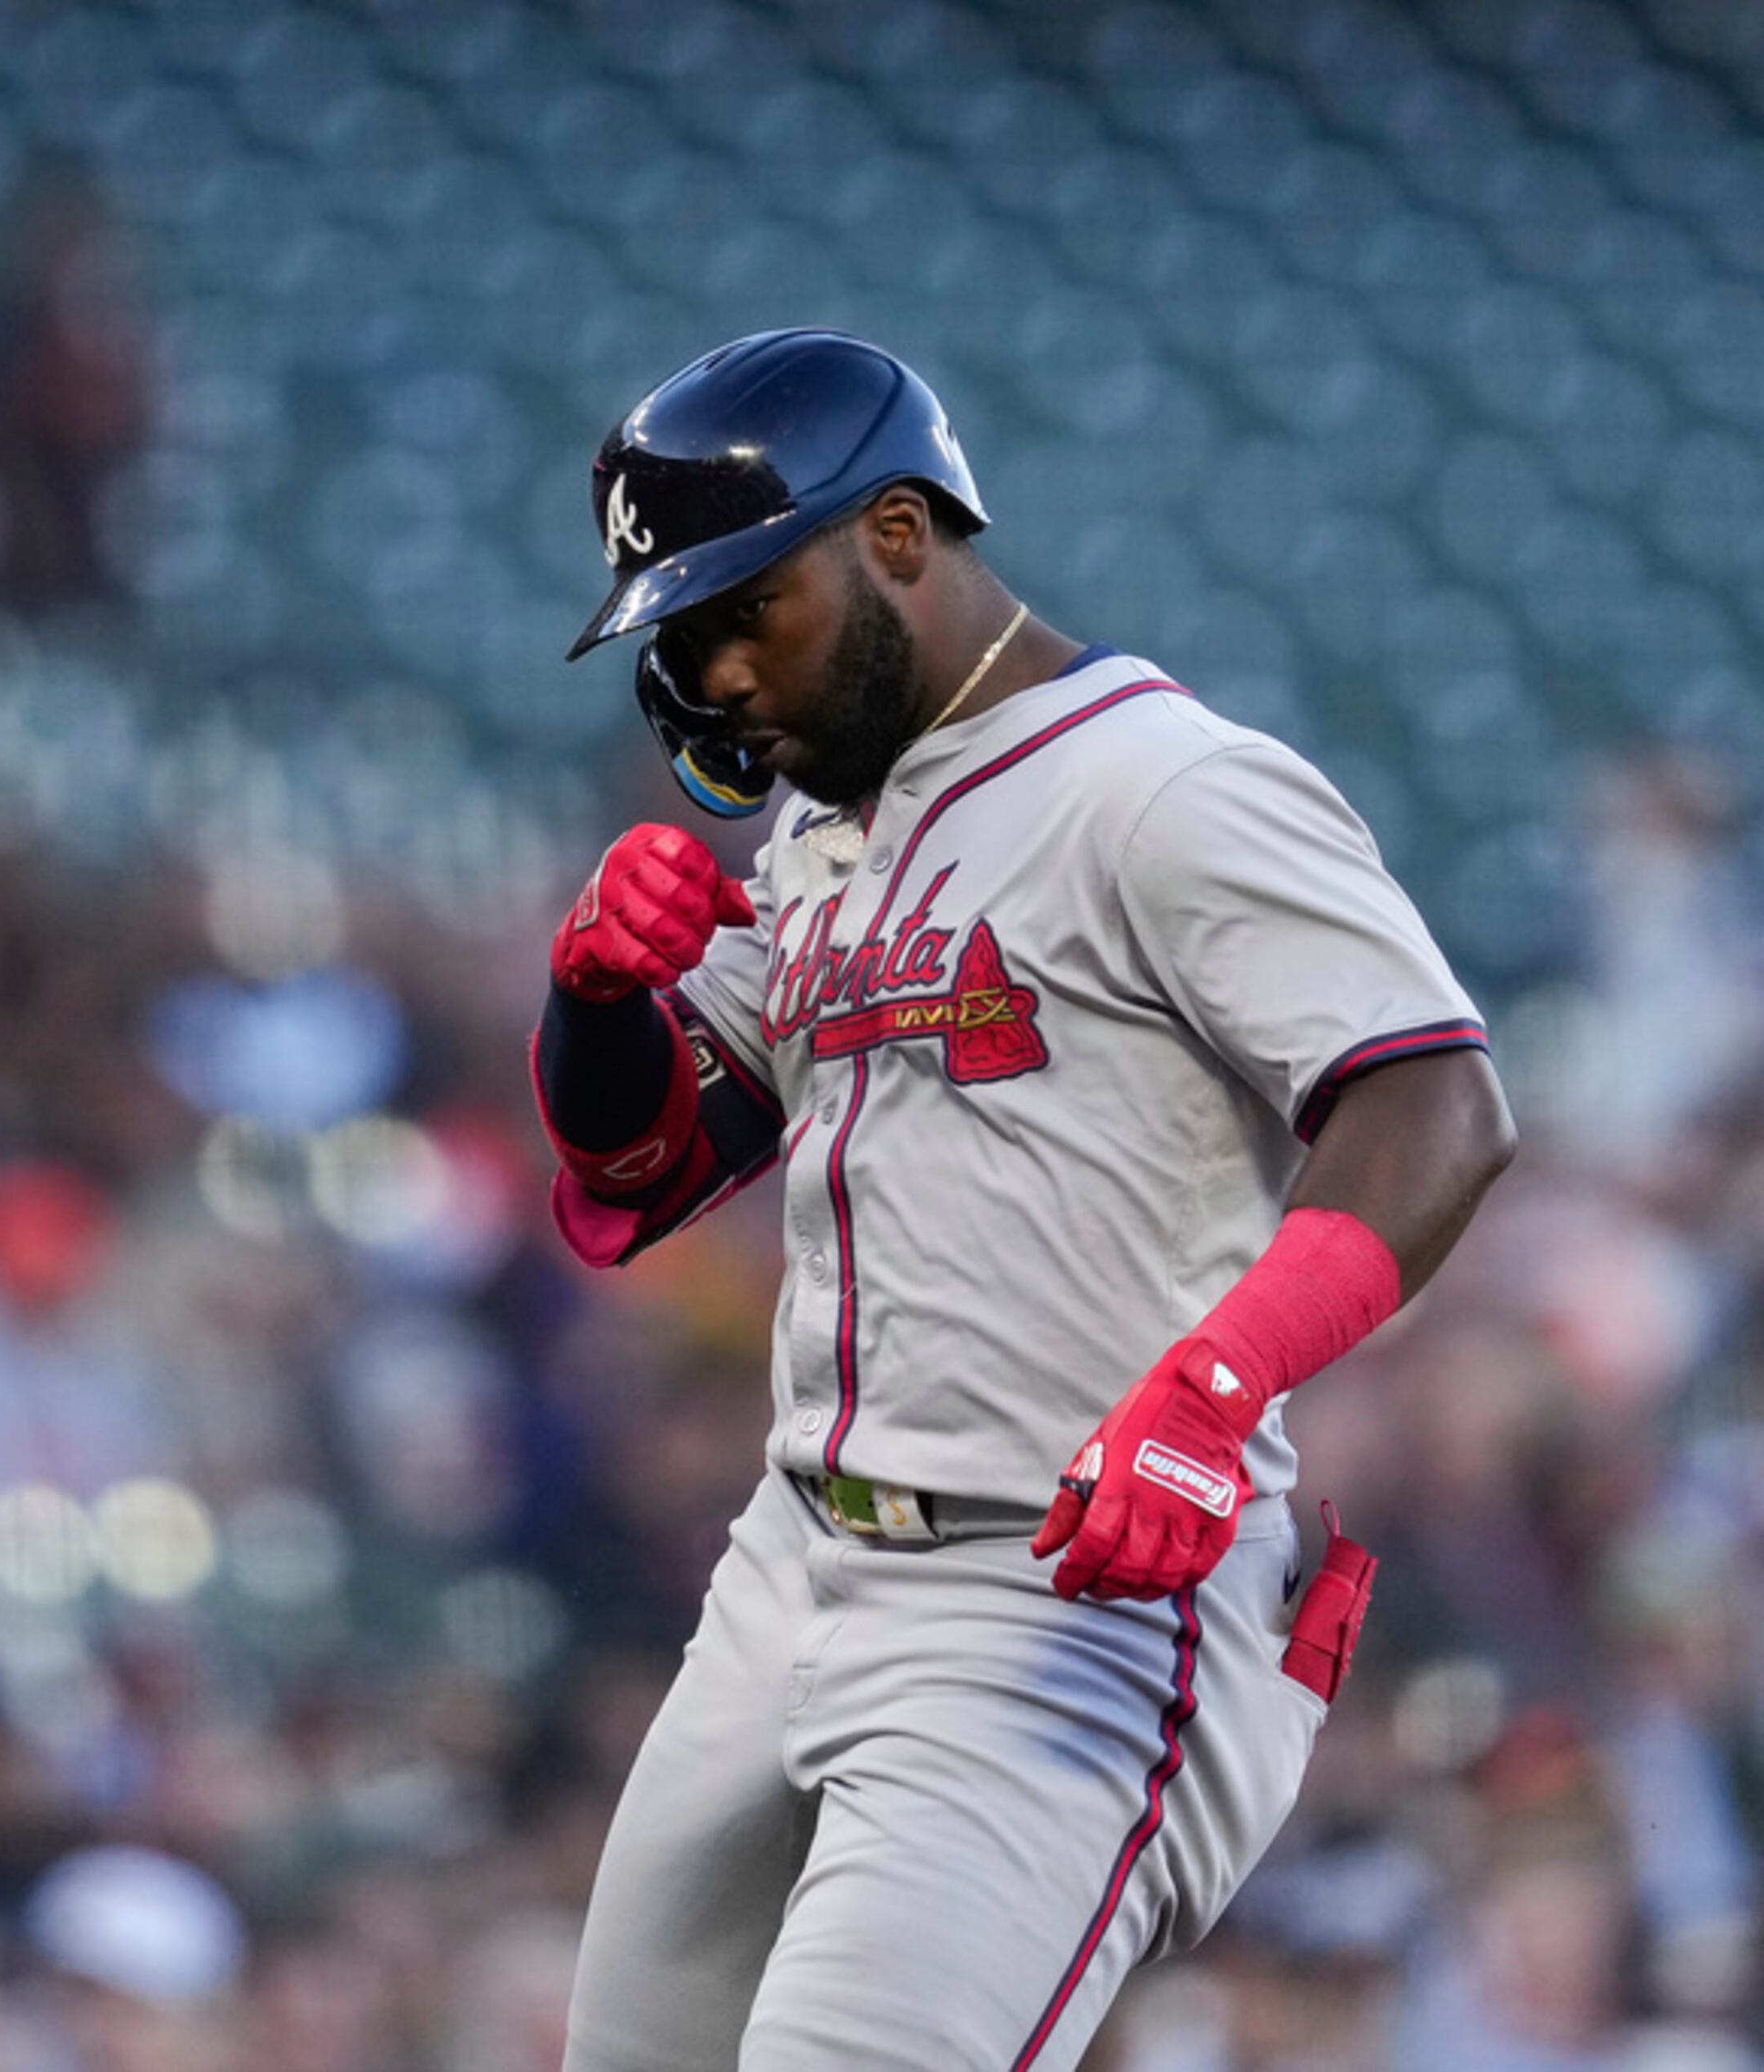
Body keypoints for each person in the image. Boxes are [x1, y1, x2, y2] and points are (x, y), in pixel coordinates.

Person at [529, 330, 1516, 2070]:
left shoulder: (1162, 783)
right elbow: (645, 1168)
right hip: (794, 1564)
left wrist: (1223, 1385)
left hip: (1058, 1600)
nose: (717, 674)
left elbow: (1433, 1101)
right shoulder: (829, 836)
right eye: (683, 639)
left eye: (746, 609)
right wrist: (598, 1002)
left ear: (900, 530)